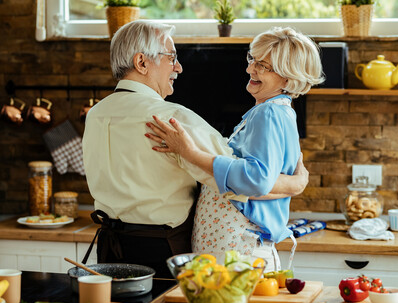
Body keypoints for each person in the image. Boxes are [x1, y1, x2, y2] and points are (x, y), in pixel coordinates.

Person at [82, 20, 308, 278]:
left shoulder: (96, 114)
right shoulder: (174, 119)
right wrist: (296, 184)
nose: (178, 67)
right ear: (142, 63)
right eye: (172, 57)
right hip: (161, 252)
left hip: (108, 249)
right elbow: (241, 182)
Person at [145, 26, 324, 272]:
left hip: (238, 248)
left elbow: (256, 178)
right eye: (253, 59)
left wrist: (189, 152)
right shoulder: (274, 111)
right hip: (234, 245)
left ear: (288, 77)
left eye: (264, 66)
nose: (251, 69)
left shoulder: (268, 113)